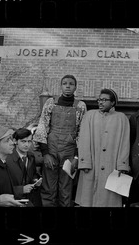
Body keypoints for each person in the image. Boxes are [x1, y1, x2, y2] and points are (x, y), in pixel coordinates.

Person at [33, 75, 87, 207]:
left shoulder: (80, 106)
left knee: (66, 190)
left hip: (69, 152)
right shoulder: (51, 102)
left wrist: (76, 157)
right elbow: (42, 127)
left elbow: (83, 132)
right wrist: (45, 154)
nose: (68, 86)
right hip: (51, 150)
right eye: (64, 83)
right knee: (48, 189)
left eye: (71, 84)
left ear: (75, 87)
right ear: (61, 85)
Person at [75, 89, 130, 207]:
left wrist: (122, 165)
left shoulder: (122, 118)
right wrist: (85, 162)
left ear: (113, 103)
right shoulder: (90, 115)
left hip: (112, 166)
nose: (100, 102)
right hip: (91, 166)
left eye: (104, 100)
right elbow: (83, 139)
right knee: (88, 199)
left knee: (109, 200)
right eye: (99, 100)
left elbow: (125, 143)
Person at [6, 128, 43, 207]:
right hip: (13, 199)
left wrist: (35, 180)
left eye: (29, 141)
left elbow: (33, 174)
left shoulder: (31, 156)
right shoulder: (7, 159)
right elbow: (3, 186)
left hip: (30, 198)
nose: (27, 145)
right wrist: (21, 189)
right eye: (23, 141)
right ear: (15, 141)